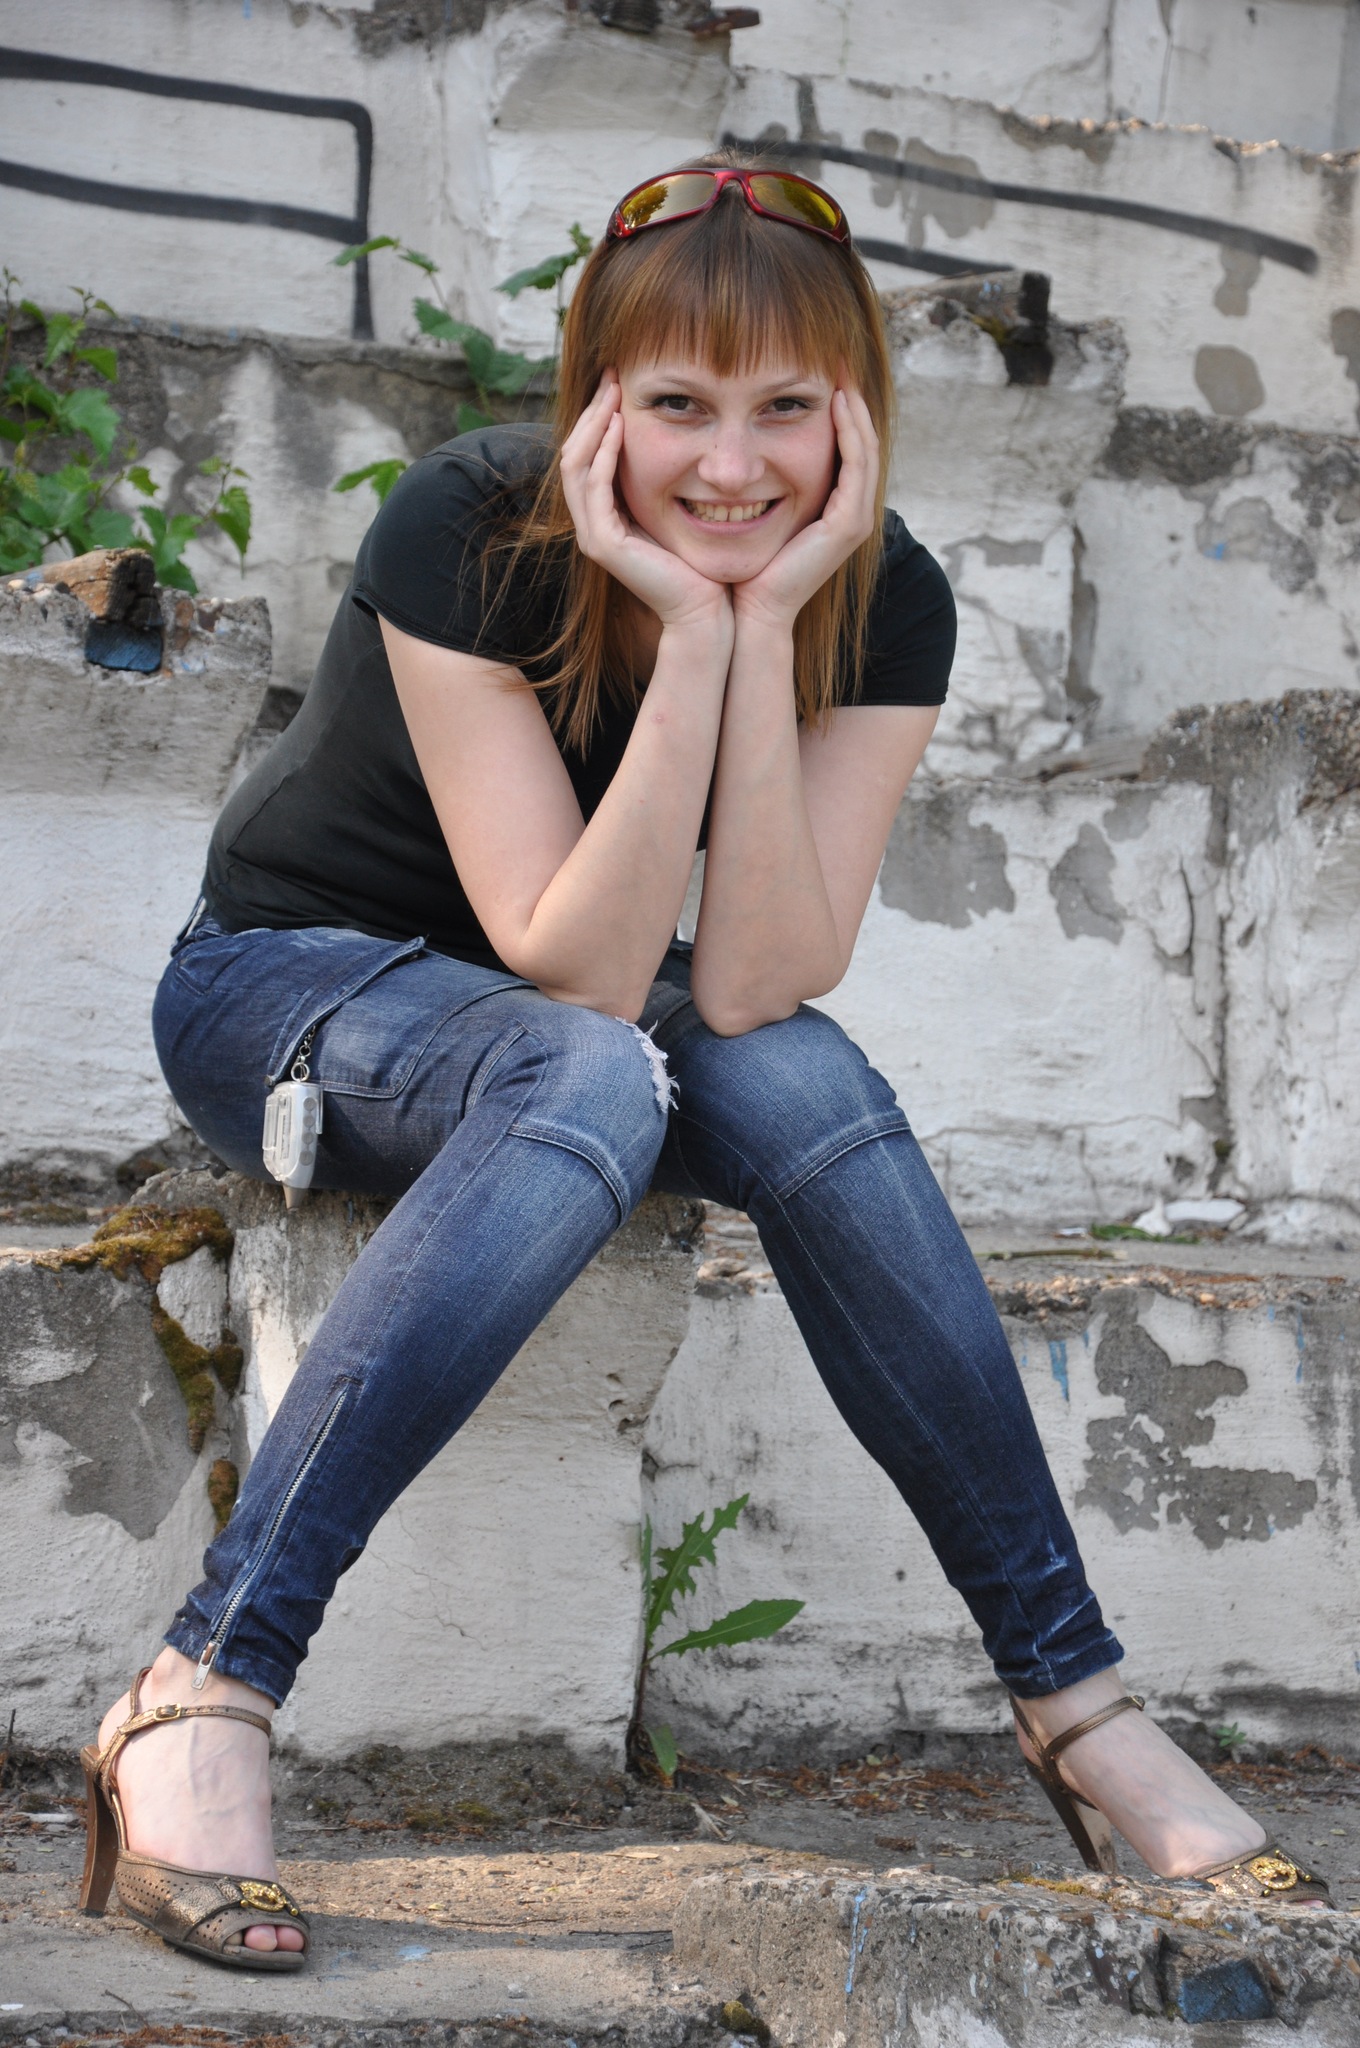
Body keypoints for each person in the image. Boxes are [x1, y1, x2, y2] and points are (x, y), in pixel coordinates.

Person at [78, 155, 1328, 1972]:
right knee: (590, 1071)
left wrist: (761, 623)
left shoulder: (885, 601)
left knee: (804, 1081)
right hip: (296, 983)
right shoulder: (469, 528)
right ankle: (204, 1685)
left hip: (562, 1022)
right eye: (677, 405)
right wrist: (688, 628)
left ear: (856, 417)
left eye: (785, 411)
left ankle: (1078, 1704)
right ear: (599, 402)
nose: (733, 467)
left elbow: (751, 983)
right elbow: (580, 961)